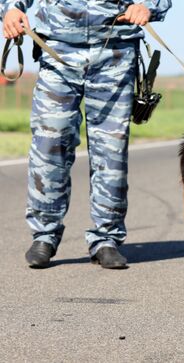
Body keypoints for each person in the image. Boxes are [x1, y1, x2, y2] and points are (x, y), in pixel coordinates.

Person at [0, 0, 172, 269]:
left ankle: (107, 239)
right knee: (49, 145)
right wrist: (11, 8)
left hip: (115, 49)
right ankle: (44, 234)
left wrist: (148, 6)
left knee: (111, 151)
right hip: (57, 49)